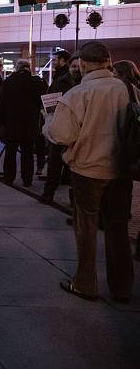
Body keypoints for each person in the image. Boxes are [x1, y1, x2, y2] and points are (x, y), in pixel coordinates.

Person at [44, 42, 137, 303]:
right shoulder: (129, 89)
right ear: (108, 62)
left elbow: (62, 135)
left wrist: (48, 120)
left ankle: (86, 282)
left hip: (87, 169)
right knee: (118, 227)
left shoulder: (78, 94)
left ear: (83, 64)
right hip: (121, 169)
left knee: (86, 227)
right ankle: (122, 287)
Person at [0, 59, 44, 187]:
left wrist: (2, 123)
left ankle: (9, 177)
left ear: (17, 68)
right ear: (29, 68)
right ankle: (27, 179)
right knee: (27, 152)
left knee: (10, 152)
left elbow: (0, 104)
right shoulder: (37, 82)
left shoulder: (8, 82)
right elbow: (43, 103)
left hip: (11, 124)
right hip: (30, 124)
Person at [41, 50, 80, 203]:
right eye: (74, 66)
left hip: (78, 129)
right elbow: (49, 103)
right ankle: (49, 192)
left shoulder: (85, 83)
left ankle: (74, 198)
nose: (76, 69)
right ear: (70, 66)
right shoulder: (60, 81)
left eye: (79, 66)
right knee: (54, 161)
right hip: (60, 125)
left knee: (74, 164)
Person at [112, 59, 140, 262]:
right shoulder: (136, 90)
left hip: (126, 148)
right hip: (133, 149)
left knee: (121, 183)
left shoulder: (122, 90)